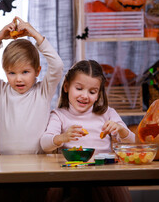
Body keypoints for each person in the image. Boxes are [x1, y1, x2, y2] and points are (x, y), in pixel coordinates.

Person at [0, 17, 64, 201]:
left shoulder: (43, 91)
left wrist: (35, 35)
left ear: (37, 71)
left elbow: (57, 65)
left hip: (38, 167)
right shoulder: (2, 91)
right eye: (11, 73)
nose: (18, 79)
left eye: (25, 72)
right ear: (5, 71)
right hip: (6, 168)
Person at [41, 59, 135, 202]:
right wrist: (62, 137)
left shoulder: (107, 113)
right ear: (66, 86)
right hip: (71, 179)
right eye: (79, 89)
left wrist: (121, 130)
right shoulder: (59, 115)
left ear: (98, 94)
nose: (85, 96)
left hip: (103, 178)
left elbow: (133, 142)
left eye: (92, 91)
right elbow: (45, 144)